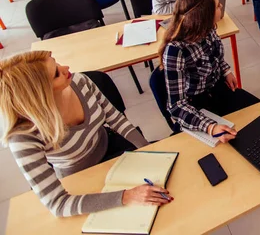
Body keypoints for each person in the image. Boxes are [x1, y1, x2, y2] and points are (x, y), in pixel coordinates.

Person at [0, 51, 172, 217]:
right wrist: (127, 196)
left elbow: (116, 119)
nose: (66, 68)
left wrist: (148, 150)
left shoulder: (80, 81)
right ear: (40, 94)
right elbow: (57, 205)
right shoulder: (23, 136)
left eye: (57, 63)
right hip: (78, 176)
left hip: (111, 145)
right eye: (57, 74)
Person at [159, 0, 260, 141]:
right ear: (204, 16)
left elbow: (215, 55)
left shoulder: (208, 29)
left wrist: (225, 71)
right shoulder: (175, 52)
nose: (221, 8)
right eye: (218, 6)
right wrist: (211, 127)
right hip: (196, 105)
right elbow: (177, 106)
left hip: (218, 90)